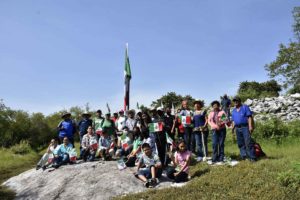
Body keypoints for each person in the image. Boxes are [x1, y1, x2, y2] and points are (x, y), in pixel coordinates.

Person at [231, 96, 256, 162]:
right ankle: (244, 156)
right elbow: (233, 120)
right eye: (234, 101)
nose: (235, 102)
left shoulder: (245, 107)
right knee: (240, 143)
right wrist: (232, 128)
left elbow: (249, 117)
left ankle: (252, 157)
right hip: (237, 128)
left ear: (239, 101)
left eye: (237, 100)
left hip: (245, 127)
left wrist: (250, 126)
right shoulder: (233, 110)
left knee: (248, 142)